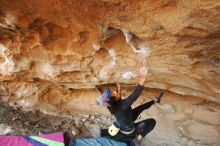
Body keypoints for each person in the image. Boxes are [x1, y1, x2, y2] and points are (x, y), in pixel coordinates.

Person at [97, 67, 164, 146]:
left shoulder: (113, 105)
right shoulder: (122, 105)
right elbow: (135, 95)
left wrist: (119, 87)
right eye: (113, 94)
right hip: (129, 130)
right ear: (113, 100)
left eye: (113, 92)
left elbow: (118, 98)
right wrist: (143, 77)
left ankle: (155, 100)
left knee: (141, 107)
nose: (115, 91)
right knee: (152, 122)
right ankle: (137, 139)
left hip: (127, 119)